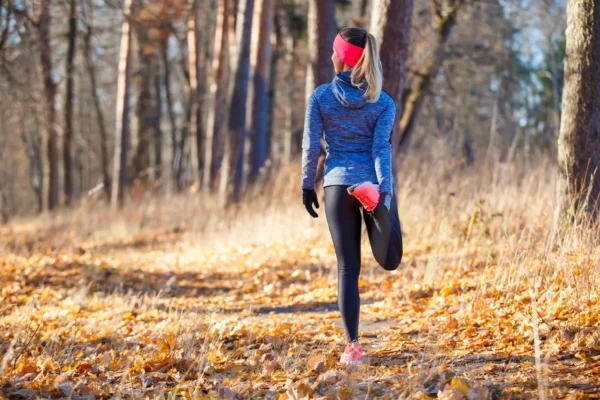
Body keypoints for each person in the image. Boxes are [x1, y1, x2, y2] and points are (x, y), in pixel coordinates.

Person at [301, 27, 403, 366]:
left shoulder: (320, 97)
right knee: (390, 259)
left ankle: (353, 347)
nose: (331, 55)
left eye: (334, 51)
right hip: (370, 180)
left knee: (348, 268)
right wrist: (385, 194)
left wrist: (306, 185)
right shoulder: (383, 102)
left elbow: (312, 145)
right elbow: (380, 150)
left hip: (335, 185)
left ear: (340, 58)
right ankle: (373, 201)